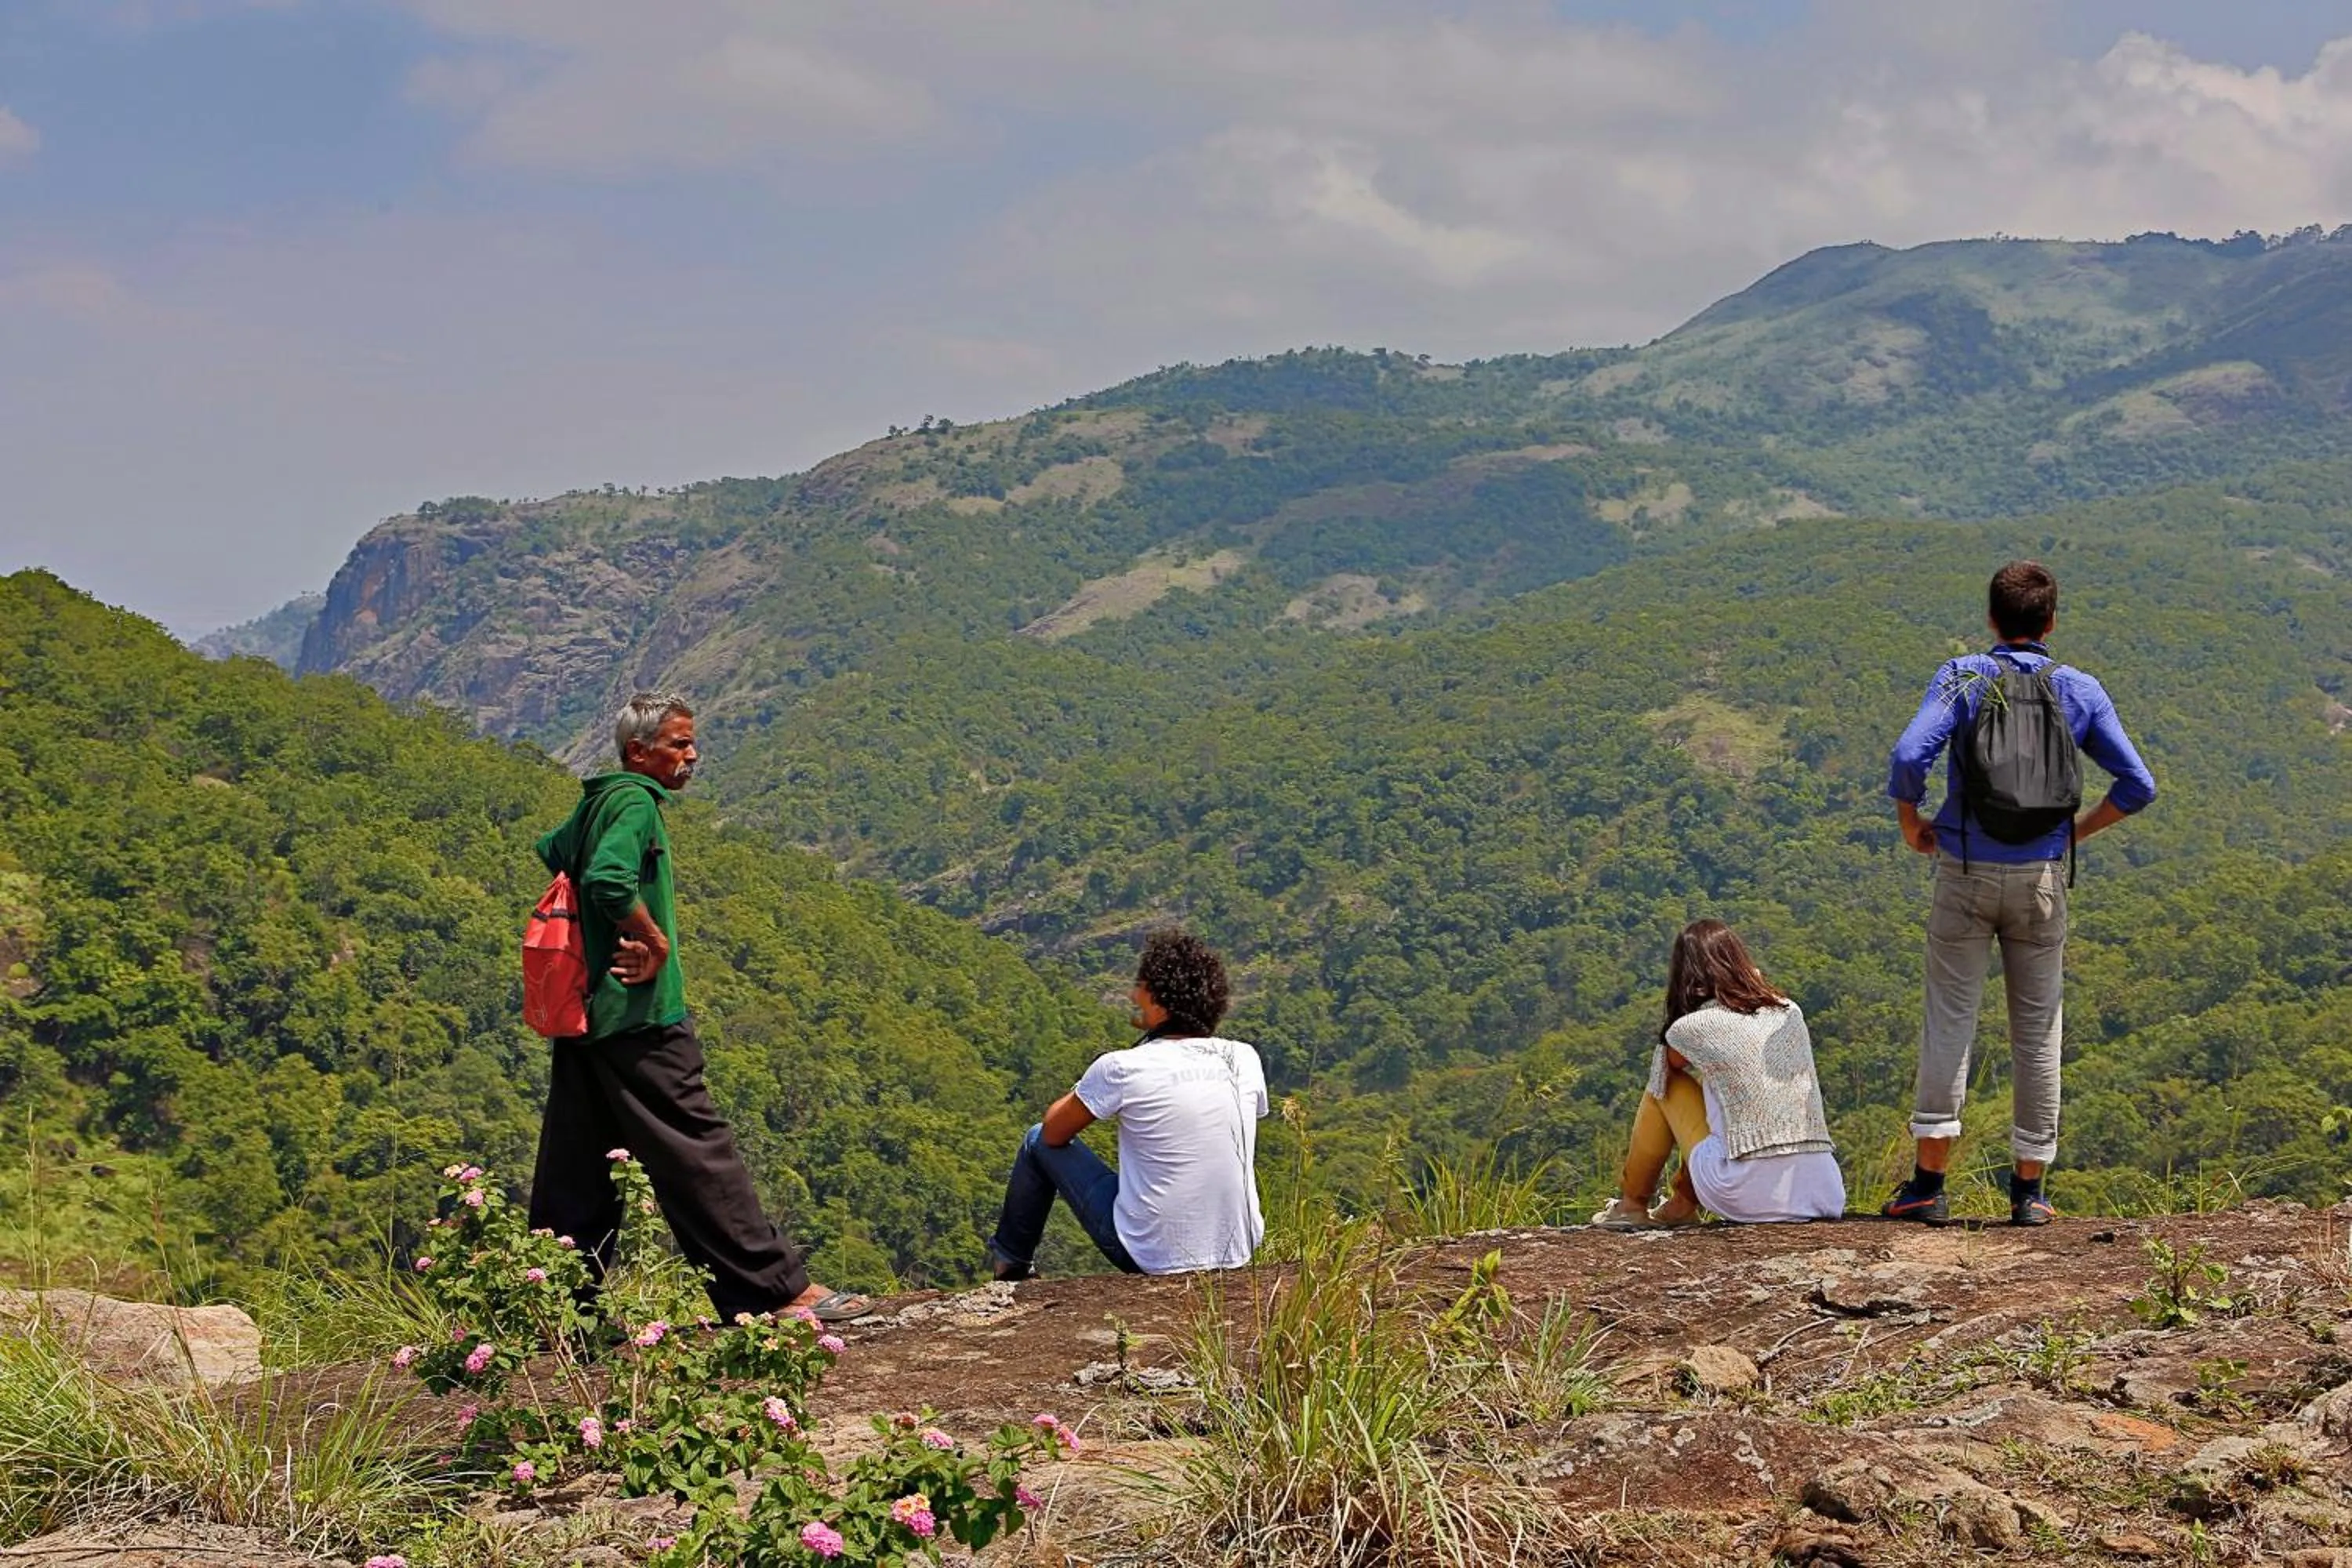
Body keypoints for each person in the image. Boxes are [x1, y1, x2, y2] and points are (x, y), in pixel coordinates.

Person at [528, 691, 871, 1323]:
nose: (693, 755)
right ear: (639, 752)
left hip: (588, 1015)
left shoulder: (601, 797)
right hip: (639, 1016)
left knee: (576, 1172)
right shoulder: (633, 801)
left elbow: (555, 848)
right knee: (697, 1150)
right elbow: (607, 879)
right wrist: (652, 939)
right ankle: (772, 1291)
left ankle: (551, 1310)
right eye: (679, 744)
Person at [1882, 561, 2156, 1227]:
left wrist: (1913, 824)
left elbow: (1908, 756)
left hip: (1966, 870)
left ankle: (1926, 1186)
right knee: (2037, 1032)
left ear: (1991, 619)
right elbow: (2137, 785)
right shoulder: (2079, 688)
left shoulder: (1965, 675)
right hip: (2041, 882)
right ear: (2052, 622)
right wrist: (2074, 836)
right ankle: (2029, 1193)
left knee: (1951, 1018)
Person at [986, 928, 1269, 1278]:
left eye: (1141, 986)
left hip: (1149, 1255)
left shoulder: (1122, 1067)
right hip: (1238, 1250)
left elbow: (1054, 1133)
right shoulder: (1243, 1058)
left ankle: (1010, 1266)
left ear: (1159, 1000)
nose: (1133, 994)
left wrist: (1091, 1083)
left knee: (1035, 1139)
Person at [1592, 920, 1845, 1229]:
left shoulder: (1694, 1027)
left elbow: (1664, 1071)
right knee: (1718, 1094)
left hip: (1745, 1192)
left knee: (1666, 1087)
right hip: (1825, 1192)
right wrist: (1751, 984)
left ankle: (1632, 1205)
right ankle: (1680, 1205)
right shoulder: (1789, 1011)